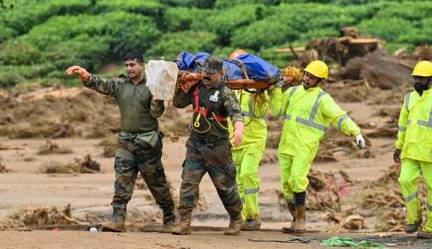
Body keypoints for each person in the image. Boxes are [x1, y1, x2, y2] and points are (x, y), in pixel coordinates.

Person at [66, 53, 176, 232]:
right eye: (127, 65)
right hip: (126, 140)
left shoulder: (153, 85)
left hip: (147, 142)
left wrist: (157, 99)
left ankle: (171, 219)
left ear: (141, 65)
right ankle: (117, 219)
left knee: (157, 182)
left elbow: (157, 113)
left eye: (133, 65)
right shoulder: (120, 84)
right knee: (121, 180)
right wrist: (85, 76)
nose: (129, 68)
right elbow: (100, 83)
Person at [277, 60, 364, 234]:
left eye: (312, 77)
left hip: (305, 146)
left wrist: (356, 133)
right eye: (307, 74)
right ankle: (294, 218)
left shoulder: (323, 98)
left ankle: (301, 219)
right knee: (286, 185)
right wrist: (276, 88)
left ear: (320, 80)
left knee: (297, 179)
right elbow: (275, 109)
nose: (308, 78)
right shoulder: (293, 92)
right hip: (287, 144)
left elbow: (339, 117)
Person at [170, 56, 245, 236]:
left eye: (210, 74)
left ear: (220, 73)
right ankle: (184, 222)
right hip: (195, 146)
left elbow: (236, 112)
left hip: (217, 149)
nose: (206, 76)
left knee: (225, 187)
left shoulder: (225, 92)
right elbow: (178, 103)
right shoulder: (197, 87)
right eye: (204, 72)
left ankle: (236, 218)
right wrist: (182, 86)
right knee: (188, 183)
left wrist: (239, 129)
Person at [394, 60, 432, 239]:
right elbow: (403, 125)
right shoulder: (409, 98)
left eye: (421, 78)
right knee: (405, 180)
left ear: (430, 79)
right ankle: (414, 218)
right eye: (416, 77)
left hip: (431, 152)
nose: (418, 81)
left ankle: (430, 226)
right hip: (410, 150)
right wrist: (398, 147)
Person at [227, 49, 285, 231]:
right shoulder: (231, 88)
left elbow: (275, 111)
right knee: (237, 181)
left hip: (254, 139)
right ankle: (243, 217)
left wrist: (273, 90)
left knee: (247, 175)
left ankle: (253, 217)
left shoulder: (257, 89)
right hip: (234, 140)